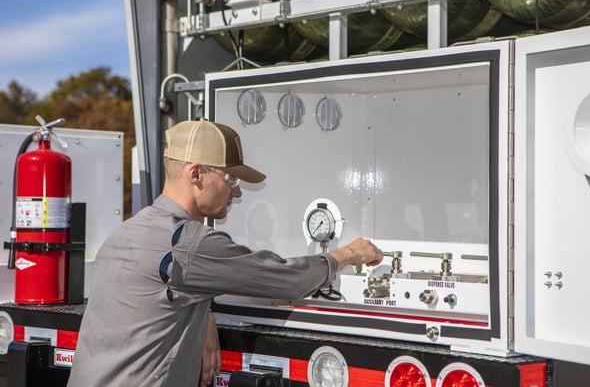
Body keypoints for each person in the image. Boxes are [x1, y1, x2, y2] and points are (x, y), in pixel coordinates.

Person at [67, 119, 383, 387]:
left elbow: (165, 292)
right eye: (230, 179)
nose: (237, 191)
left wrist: (205, 311)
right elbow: (283, 279)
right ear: (195, 174)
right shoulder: (187, 241)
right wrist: (348, 254)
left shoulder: (126, 231)